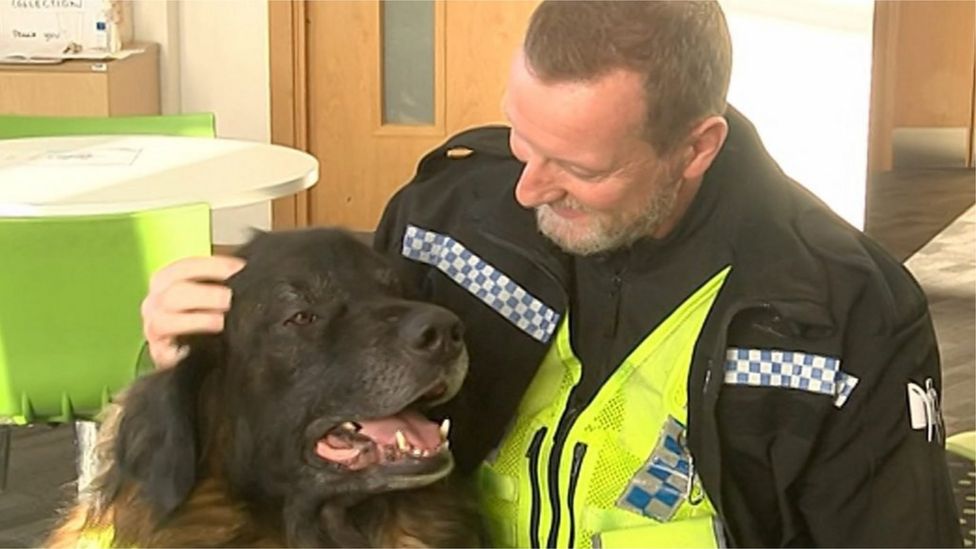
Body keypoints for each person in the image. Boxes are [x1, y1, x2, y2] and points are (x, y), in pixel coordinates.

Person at [141, 2, 962, 547]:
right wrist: (191, 337)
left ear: (695, 149)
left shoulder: (845, 309)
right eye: (523, 139)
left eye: (576, 166)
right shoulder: (445, 213)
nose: (527, 187)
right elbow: (319, 388)